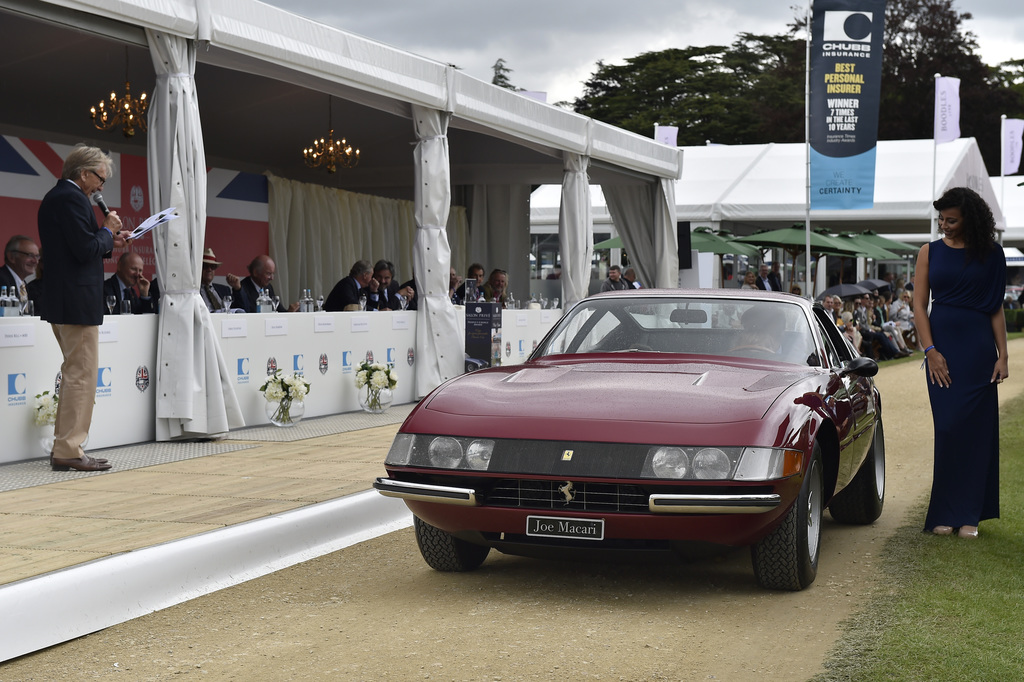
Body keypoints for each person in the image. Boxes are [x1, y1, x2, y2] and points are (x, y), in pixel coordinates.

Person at [914, 187, 1008, 539]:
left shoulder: (992, 254)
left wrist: (1004, 355)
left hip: (979, 353)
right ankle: (945, 510)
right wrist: (930, 350)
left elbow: (994, 308)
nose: (944, 225)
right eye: (941, 219)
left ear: (969, 217)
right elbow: (919, 306)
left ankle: (969, 515)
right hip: (942, 352)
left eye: (951, 219)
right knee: (949, 429)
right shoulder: (929, 252)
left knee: (978, 433)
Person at [38, 144, 130, 472]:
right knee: (81, 375)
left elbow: (79, 247)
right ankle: (69, 449)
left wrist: (110, 242)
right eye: (100, 179)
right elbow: (82, 249)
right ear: (83, 173)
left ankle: (66, 446)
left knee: (76, 373)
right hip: (76, 302)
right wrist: (107, 230)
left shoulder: (60, 197)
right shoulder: (72, 198)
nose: (101, 187)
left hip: (67, 299)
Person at [1, 235, 39, 305]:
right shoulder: (2, 280)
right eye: (30, 255)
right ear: (11, 257)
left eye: (37, 256)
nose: (35, 261)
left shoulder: (23, 285)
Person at [199, 248, 235, 312]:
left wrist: (237, 289)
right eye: (205, 266)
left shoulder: (224, 290)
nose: (209, 269)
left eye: (212, 266)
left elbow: (241, 310)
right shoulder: (194, 291)